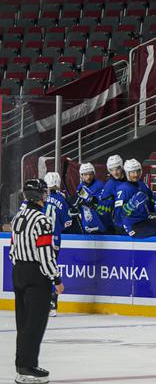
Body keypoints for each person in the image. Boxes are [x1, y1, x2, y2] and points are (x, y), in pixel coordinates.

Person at [11, 178, 64, 384]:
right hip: (36, 275)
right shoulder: (42, 221)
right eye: (43, 192)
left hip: (18, 272)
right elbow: (45, 254)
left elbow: (13, 250)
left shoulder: (18, 217)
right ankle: (28, 367)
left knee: (23, 322)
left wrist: (20, 269)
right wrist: (56, 278)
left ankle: (21, 364)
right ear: (38, 196)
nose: (45, 196)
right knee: (35, 323)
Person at [115, 159, 156, 238]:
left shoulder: (143, 185)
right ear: (127, 173)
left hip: (144, 221)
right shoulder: (123, 189)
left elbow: (152, 204)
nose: (136, 174)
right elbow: (118, 215)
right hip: (132, 226)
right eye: (132, 172)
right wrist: (130, 206)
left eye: (138, 171)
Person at [42, 172, 71, 317]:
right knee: (51, 268)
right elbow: (67, 223)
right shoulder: (61, 199)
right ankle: (52, 302)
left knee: (40, 269)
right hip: (55, 240)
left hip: (40, 239)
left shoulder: (40, 199)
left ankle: (40, 301)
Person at [74, 163, 108, 234]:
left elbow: (103, 203)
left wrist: (92, 200)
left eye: (90, 174)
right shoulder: (80, 187)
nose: (88, 177)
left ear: (94, 174)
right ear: (81, 175)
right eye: (85, 174)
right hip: (87, 222)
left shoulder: (100, 185)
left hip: (100, 221)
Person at [96, 154, 126, 234]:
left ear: (122, 167)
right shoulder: (110, 185)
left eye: (117, 169)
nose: (115, 173)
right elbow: (103, 207)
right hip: (120, 224)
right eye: (111, 170)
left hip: (136, 221)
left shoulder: (131, 178)